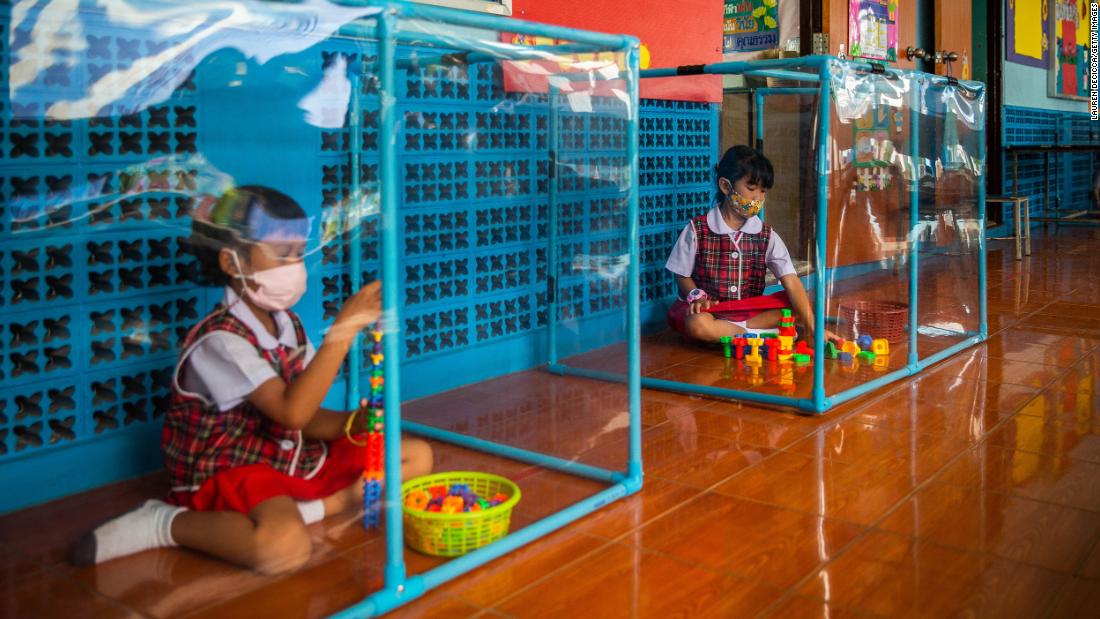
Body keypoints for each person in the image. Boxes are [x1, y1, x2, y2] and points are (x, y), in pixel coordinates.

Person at [72, 185, 432, 574]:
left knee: (417, 455)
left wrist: (351, 425)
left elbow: (307, 419)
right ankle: (167, 523)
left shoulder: (287, 324)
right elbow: (292, 414)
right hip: (232, 468)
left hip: (285, 456)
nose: (295, 266)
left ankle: (307, 506)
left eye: (298, 253)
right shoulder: (220, 341)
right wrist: (342, 331)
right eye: (281, 254)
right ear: (232, 262)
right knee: (283, 549)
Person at [665, 145, 840, 345]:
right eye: (751, 188)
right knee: (697, 324)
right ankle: (765, 336)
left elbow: (790, 280)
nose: (758, 197)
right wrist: (696, 296)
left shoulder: (767, 235)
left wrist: (814, 329)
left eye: (763, 191)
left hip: (751, 312)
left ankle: (740, 335)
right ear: (725, 186)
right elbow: (681, 273)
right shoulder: (697, 229)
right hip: (713, 313)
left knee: (799, 306)